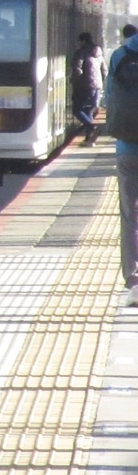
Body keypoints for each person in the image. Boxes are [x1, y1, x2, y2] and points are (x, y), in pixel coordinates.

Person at [107, 26, 138, 306]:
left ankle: (134, 283)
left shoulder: (120, 55)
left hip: (127, 147)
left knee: (130, 216)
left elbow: (110, 99)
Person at [71, 32, 106, 145]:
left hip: (85, 86)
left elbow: (77, 69)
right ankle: (89, 140)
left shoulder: (81, 53)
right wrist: (100, 83)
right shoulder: (99, 54)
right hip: (97, 86)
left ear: (83, 41)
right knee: (88, 110)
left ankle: (91, 126)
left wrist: (75, 82)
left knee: (77, 110)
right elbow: (104, 71)